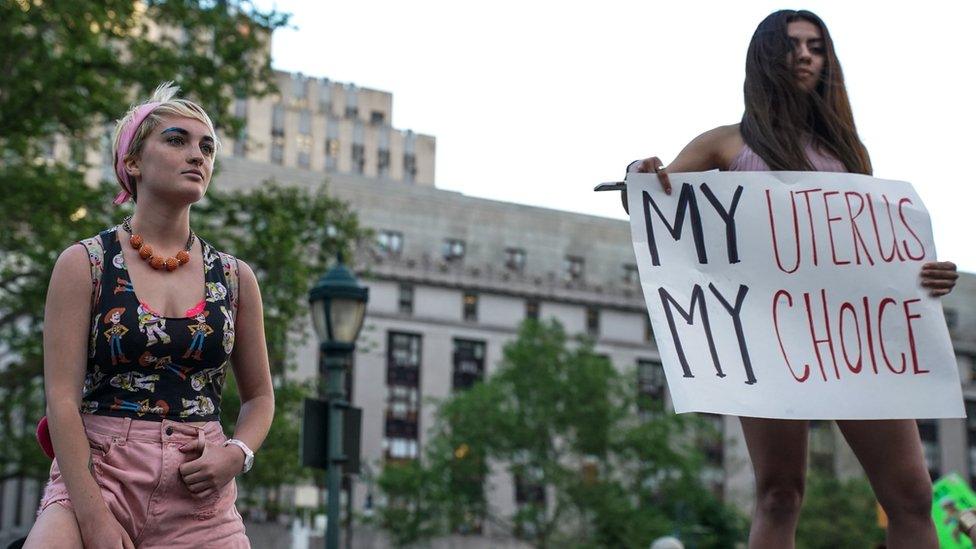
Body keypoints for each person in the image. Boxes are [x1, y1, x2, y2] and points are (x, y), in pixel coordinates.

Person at [625, 10, 958, 549]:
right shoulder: (725, 144)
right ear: (765, 57)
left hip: (854, 339)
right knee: (779, 493)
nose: (804, 55)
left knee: (912, 496)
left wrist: (924, 275)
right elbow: (656, 205)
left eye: (815, 46)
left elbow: (866, 253)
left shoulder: (850, 156)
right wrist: (638, 178)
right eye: (790, 44)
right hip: (766, 335)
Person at [24, 83, 274, 548]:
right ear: (132, 163)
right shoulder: (86, 263)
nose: (197, 154)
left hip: (199, 496)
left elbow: (259, 398)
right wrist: (94, 519)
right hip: (100, 476)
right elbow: (60, 400)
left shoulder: (237, 278)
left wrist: (237, 454)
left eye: (207, 146)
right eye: (177, 140)